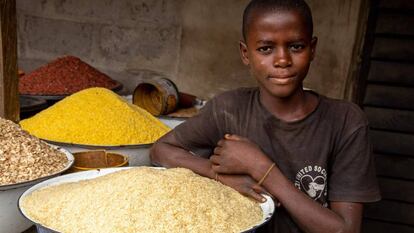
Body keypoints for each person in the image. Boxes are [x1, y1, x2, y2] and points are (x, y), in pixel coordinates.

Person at [150, 0, 381, 232]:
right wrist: (215, 174)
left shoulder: (345, 122)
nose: (282, 60)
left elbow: (345, 230)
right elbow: (161, 150)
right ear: (245, 53)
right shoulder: (228, 109)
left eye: (296, 46)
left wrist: (262, 169)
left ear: (312, 49)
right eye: (265, 49)